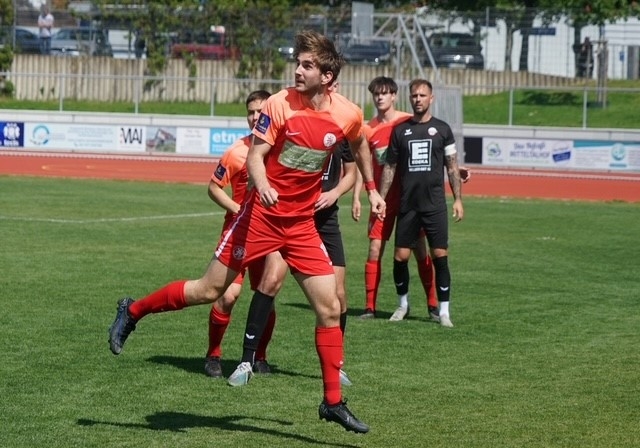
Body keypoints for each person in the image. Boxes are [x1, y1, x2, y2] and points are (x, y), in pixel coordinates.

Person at [108, 30, 384, 434]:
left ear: (327, 76)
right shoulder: (278, 104)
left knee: (330, 308)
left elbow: (360, 145)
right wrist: (265, 184)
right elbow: (255, 156)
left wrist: (373, 190)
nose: (297, 70)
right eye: (297, 62)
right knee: (209, 290)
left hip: (300, 225)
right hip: (260, 218)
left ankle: (332, 402)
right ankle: (132, 311)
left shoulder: (347, 113)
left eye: (307, 65)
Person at [227, 136, 357, 388]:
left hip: (326, 218)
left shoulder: (341, 130)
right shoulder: (295, 128)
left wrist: (334, 193)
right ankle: (246, 361)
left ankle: (335, 366)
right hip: (291, 216)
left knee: (339, 295)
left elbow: (351, 173)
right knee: (270, 280)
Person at [351, 76, 469, 323]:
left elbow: (439, 155)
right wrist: (359, 197)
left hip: (411, 198)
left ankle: (433, 305)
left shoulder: (407, 121)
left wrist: (458, 174)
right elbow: (365, 166)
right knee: (376, 249)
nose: (380, 98)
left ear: (394, 96)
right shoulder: (369, 129)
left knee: (420, 251)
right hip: (384, 198)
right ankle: (370, 307)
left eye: (384, 93)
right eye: (376, 94)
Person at [203, 90, 276, 379]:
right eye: (250, 112)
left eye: (260, 111)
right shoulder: (236, 151)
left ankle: (260, 356)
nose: (255, 117)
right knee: (228, 296)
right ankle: (213, 355)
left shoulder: (280, 151)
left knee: (266, 296)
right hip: (238, 233)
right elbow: (213, 188)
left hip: (269, 235)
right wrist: (237, 209)